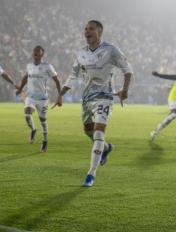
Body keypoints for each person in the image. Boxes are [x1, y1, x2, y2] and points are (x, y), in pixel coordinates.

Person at [53, 20, 132, 187]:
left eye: (91, 29)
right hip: (87, 98)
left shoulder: (111, 50)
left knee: (97, 133)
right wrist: (61, 94)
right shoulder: (81, 53)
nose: (86, 31)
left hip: (104, 96)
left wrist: (125, 89)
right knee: (88, 131)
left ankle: (91, 174)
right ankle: (106, 148)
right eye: (85, 29)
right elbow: (73, 75)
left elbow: (127, 69)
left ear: (99, 32)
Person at [16, 45, 61, 152]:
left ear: (42, 54)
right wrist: (20, 88)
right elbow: (25, 77)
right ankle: (33, 130)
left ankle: (45, 140)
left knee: (43, 120)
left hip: (43, 99)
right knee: (27, 114)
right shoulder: (29, 66)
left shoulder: (47, 66)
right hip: (30, 97)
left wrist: (60, 96)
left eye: (38, 51)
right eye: (34, 51)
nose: (35, 52)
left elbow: (57, 80)